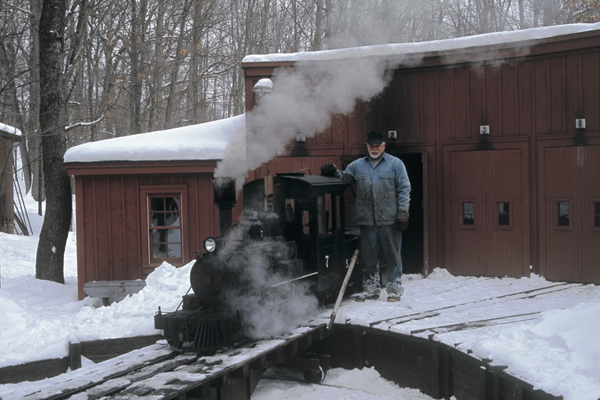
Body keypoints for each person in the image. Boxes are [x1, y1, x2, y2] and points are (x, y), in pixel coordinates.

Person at [320, 131, 411, 302]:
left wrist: (403, 214)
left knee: (393, 255)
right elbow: (345, 178)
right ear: (367, 146)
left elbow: (404, 189)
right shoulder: (357, 166)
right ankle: (371, 289)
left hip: (390, 220)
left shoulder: (395, 164)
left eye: (377, 145)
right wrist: (332, 171)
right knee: (368, 257)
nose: (374, 148)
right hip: (367, 221)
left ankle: (394, 288)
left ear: (384, 145)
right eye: (371, 145)